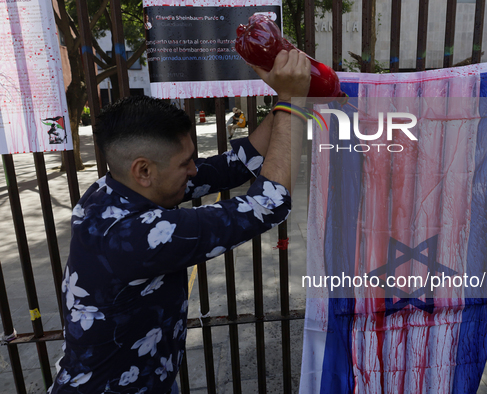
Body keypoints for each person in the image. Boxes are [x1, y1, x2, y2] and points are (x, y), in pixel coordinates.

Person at [48, 49, 310, 393]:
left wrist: (284, 93)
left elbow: (235, 165)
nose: (193, 170)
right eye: (185, 162)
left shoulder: (107, 191)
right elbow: (268, 203)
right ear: (144, 170)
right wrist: (292, 100)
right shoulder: (135, 237)